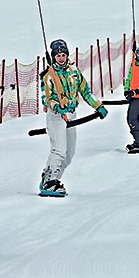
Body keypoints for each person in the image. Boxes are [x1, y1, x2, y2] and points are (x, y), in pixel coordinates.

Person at [40, 38, 107, 195]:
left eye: (63, 55)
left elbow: (85, 91)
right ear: (53, 57)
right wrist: (57, 107)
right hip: (56, 116)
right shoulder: (48, 76)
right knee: (59, 149)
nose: (61, 58)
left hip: (71, 114)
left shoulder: (74, 72)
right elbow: (47, 98)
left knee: (69, 154)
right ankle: (50, 182)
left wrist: (98, 105)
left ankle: (51, 176)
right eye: (58, 56)